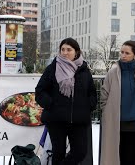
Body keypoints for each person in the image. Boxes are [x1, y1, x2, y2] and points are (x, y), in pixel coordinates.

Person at [35, 37, 97, 165]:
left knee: (80, 152)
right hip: (56, 119)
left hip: (78, 120)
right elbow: (40, 91)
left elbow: (91, 93)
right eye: (62, 49)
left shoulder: (84, 70)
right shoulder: (52, 68)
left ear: (77, 52)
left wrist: (87, 106)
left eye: (69, 49)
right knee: (58, 153)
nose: (65, 52)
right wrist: (52, 105)